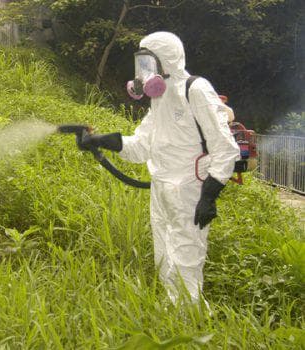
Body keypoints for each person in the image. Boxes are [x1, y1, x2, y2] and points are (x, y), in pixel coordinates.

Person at [80, 32, 240, 305]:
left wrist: (209, 195)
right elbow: (141, 147)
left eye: (148, 63)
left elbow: (225, 148)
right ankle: (172, 310)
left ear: (165, 60)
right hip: (162, 187)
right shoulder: (160, 99)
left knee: (186, 257)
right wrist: (103, 141)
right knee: (164, 254)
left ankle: (190, 319)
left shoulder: (195, 89)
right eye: (141, 64)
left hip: (190, 189)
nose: (144, 72)